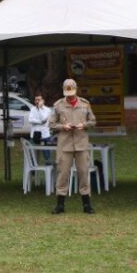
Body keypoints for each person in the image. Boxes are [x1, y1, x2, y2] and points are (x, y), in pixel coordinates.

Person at [47, 79, 97, 214]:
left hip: (81, 143)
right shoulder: (58, 105)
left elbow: (93, 121)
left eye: (72, 93)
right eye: (67, 93)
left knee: (83, 173)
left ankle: (86, 205)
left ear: (76, 90)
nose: (70, 96)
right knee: (62, 173)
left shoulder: (85, 104)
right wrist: (63, 127)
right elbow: (51, 124)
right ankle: (60, 205)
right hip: (65, 144)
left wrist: (84, 125)